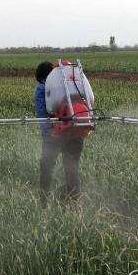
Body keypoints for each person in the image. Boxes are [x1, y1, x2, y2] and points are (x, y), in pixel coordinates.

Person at [34, 61, 85, 206]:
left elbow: (42, 115)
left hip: (54, 136)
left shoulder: (42, 88)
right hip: (76, 132)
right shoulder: (73, 85)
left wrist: (49, 133)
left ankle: (43, 203)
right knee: (72, 170)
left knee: (46, 168)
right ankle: (74, 205)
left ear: (43, 77)